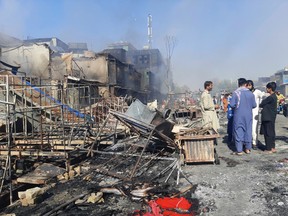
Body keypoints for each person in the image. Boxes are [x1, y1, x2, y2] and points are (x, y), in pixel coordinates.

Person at [230, 78, 256, 155]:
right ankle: (248, 148)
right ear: (245, 84)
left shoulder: (236, 93)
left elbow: (232, 104)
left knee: (238, 130)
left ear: (238, 84)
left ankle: (239, 150)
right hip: (248, 115)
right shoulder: (251, 93)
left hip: (238, 115)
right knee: (248, 130)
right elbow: (254, 105)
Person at [247, 80, 265, 150]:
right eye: (247, 85)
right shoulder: (246, 92)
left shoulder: (257, 92)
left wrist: (260, 105)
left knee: (254, 128)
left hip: (255, 113)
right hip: (247, 112)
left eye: (250, 85)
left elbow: (263, 96)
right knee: (248, 128)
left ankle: (254, 142)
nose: (248, 87)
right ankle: (248, 141)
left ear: (252, 85)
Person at [259, 82, 278, 153]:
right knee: (272, 133)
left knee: (268, 133)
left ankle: (268, 148)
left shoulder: (270, 97)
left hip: (267, 117)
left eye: (267, 88)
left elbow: (261, 104)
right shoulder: (274, 96)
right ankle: (272, 147)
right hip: (271, 117)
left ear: (270, 89)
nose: (266, 89)